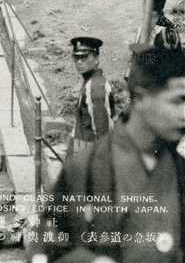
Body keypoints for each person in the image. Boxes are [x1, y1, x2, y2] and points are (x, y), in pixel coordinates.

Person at [30, 45, 185, 262]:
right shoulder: (85, 168)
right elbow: (46, 248)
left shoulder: (179, 171)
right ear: (141, 98)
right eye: (179, 100)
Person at [69, 36, 115, 156]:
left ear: (96, 59)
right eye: (76, 57)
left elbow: (102, 132)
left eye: (84, 57)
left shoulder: (95, 87)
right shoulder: (90, 81)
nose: (79, 62)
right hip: (82, 149)